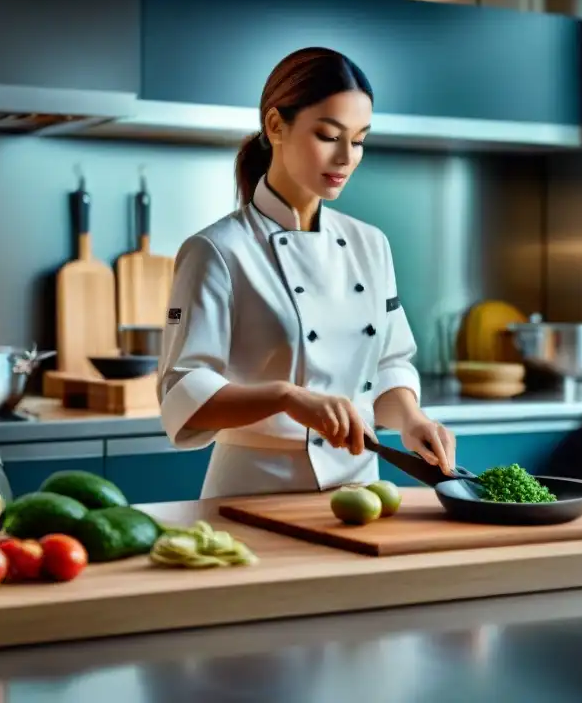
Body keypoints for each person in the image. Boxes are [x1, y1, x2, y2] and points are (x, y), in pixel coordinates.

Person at [156, 46, 457, 500]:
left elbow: (390, 364)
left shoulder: (370, 244)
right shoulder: (216, 250)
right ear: (276, 126)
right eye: (328, 135)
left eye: (358, 140)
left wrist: (413, 420)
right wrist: (286, 396)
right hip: (254, 492)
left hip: (361, 491)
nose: (346, 157)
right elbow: (184, 391)